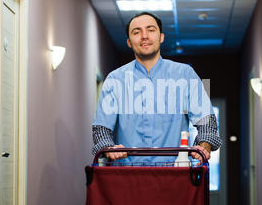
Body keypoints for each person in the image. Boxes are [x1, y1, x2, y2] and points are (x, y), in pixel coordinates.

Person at [92, 12, 221, 165]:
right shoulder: (114, 79)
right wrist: (109, 148)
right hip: (126, 175)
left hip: (174, 175)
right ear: (129, 42)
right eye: (136, 32)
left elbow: (207, 122)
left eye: (151, 30)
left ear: (161, 37)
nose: (144, 36)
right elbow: (101, 129)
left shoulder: (186, 74)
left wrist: (203, 146)